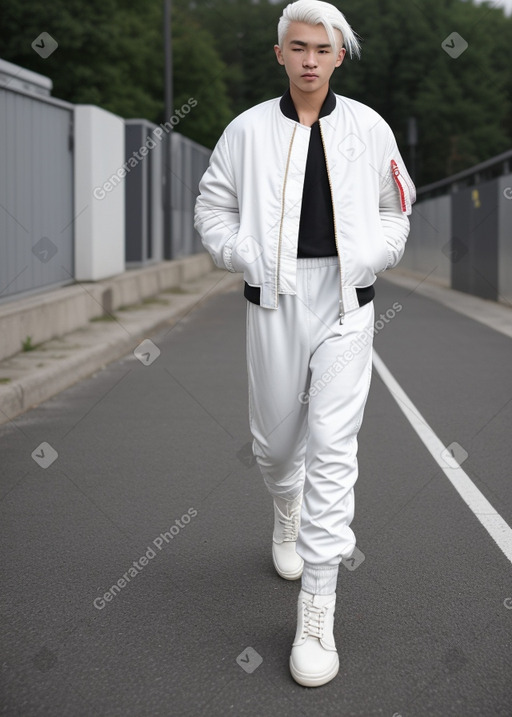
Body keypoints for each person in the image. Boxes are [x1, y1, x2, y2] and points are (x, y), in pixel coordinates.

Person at [194, 0, 415, 688]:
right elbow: (212, 205)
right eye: (299, 47)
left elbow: (395, 205)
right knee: (277, 446)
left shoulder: (371, 128)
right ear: (281, 54)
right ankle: (282, 505)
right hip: (275, 301)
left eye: (322, 48)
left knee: (333, 448)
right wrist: (248, 256)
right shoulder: (246, 131)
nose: (310, 59)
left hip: (347, 305)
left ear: (339, 55)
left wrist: (374, 255)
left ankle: (317, 606)